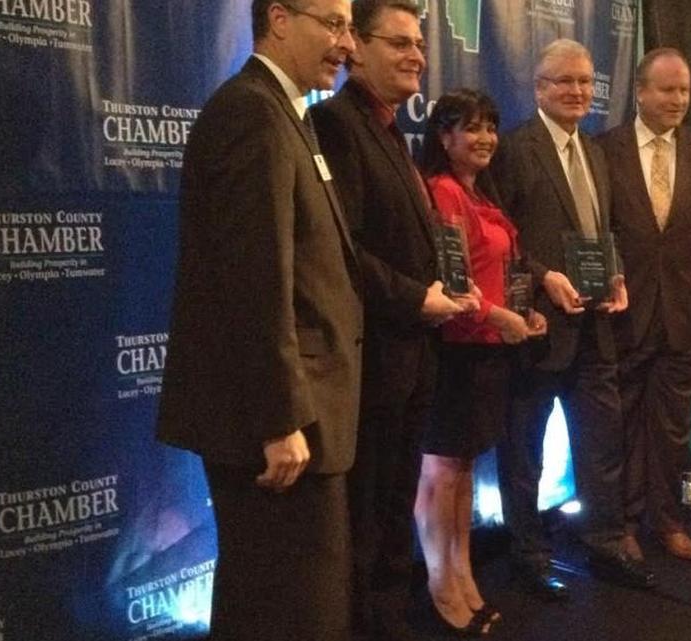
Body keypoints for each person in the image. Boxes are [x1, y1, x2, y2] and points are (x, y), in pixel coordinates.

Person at [156, 1, 360, 640]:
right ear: (278, 18)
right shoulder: (252, 113)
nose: (346, 43)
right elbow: (253, 281)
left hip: (300, 416)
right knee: (291, 610)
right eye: (332, 23)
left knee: (274, 603)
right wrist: (279, 420)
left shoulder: (285, 112)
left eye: (349, 26)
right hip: (280, 430)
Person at [308, 1, 475, 638]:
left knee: (392, 516)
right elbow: (342, 250)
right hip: (371, 364)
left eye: (420, 44)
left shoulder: (385, 129)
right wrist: (416, 299)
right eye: (399, 43)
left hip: (412, 360)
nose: (416, 56)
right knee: (367, 519)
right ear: (356, 46)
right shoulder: (333, 122)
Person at [491, 38, 654, 600]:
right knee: (524, 454)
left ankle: (606, 543)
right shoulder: (514, 149)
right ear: (539, 87)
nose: (578, 91)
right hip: (538, 333)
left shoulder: (596, 151)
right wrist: (542, 278)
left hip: (596, 331)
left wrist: (618, 276)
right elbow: (499, 240)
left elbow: (602, 234)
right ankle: (529, 554)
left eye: (586, 81)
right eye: (565, 81)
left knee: (602, 443)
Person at [598, 48, 691, 562]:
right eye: (667, 89)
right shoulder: (604, 149)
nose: (679, 99)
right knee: (621, 426)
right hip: (623, 314)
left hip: (686, 316)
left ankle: (668, 522)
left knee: (672, 429)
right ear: (639, 91)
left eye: (684, 90)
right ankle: (623, 524)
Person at [415, 89, 547, 636]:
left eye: (491, 126)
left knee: (464, 473)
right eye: (471, 128)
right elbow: (452, 284)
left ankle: (463, 574)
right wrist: (499, 317)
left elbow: (499, 269)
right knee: (442, 473)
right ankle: (440, 583)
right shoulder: (442, 193)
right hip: (455, 353)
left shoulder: (482, 196)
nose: (486, 138)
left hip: (488, 354)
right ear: (444, 137)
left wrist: (524, 314)